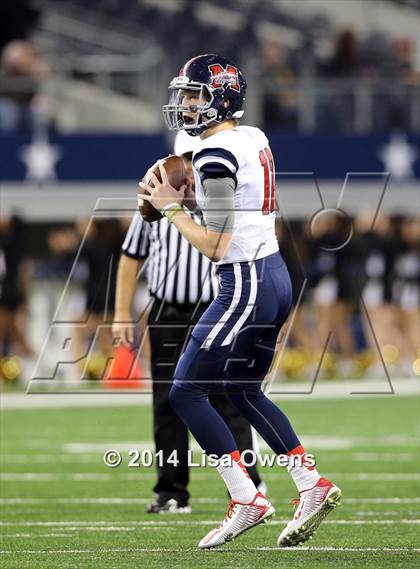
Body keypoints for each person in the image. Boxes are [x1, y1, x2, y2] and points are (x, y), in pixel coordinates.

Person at [140, 54, 341, 549]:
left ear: (220, 99)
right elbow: (237, 210)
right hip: (273, 274)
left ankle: (245, 498)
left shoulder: (214, 156)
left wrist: (170, 210)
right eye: (184, 95)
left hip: (245, 280)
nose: (184, 105)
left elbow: (217, 244)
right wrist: (189, 203)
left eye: (194, 95)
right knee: (242, 388)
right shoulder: (250, 137)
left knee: (185, 392)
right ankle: (310, 484)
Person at [113, 130, 265, 514]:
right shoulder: (155, 201)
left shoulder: (221, 196)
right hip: (167, 311)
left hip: (214, 307)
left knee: (225, 396)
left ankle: (249, 484)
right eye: (183, 158)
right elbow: (131, 256)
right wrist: (120, 313)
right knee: (167, 401)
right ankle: (171, 490)